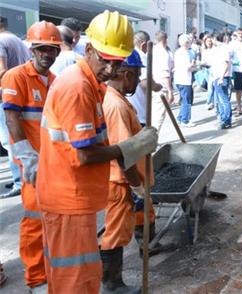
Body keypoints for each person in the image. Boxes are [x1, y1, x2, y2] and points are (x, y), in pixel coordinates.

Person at [37, 11, 158, 292]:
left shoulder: (93, 86)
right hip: (66, 198)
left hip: (75, 196)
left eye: (117, 63)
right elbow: (85, 154)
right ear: (89, 49)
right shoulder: (77, 86)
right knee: (76, 281)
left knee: (82, 276)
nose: (111, 70)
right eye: (105, 60)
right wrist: (131, 147)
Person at [2, 20, 61, 293]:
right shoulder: (16, 77)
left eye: (52, 49)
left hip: (52, 163)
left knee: (50, 220)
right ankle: (36, 278)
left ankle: (48, 271)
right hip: (33, 164)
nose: (46, 54)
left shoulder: (54, 81)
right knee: (35, 221)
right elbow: (12, 117)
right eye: (41, 49)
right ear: (32, 49)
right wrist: (27, 157)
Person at [101, 50, 147, 294]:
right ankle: (112, 284)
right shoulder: (116, 104)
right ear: (127, 73)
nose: (138, 82)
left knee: (117, 230)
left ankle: (111, 282)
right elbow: (123, 153)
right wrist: (135, 186)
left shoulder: (118, 97)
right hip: (119, 181)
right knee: (115, 233)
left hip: (120, 179)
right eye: (137, 76)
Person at [0, 16, 30, 199]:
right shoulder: (17, 40)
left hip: (6, 94)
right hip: (21, 93)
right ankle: (21, 177)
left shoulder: (0, 41)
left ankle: (20, 180)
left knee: (8, 140)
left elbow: (1, 70)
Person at [152, 31, 175, 129]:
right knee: (159, 116)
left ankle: (152, 139)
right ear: (165, 39)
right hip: (161, 86)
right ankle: (153, 140)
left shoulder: (153, 50)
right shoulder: (163, 53)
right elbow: (165, 73)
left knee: (154, 114)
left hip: (153, 84)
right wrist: (170, 91)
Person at [209, 32, 233, 129]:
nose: (211, 41)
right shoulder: (217, 49)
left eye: (213, 39)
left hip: (221, 77)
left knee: (224, 100)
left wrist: (222, 77)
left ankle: (226, 120)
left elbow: (226, 64)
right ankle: (223, 118)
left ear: (216, 39)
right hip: (217, 76)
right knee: (220, 99)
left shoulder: (224, 49)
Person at [174, 34, 198, 127]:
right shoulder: (185, 53)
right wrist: (193, 65)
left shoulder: (178, 52)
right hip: (185, 79)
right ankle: (185, 120)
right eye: (188, 42)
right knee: (187, 101)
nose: (190, 44)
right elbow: (188, 67)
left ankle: (180, 118)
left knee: (184, 99)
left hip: (179, 79)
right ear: (185, 43)